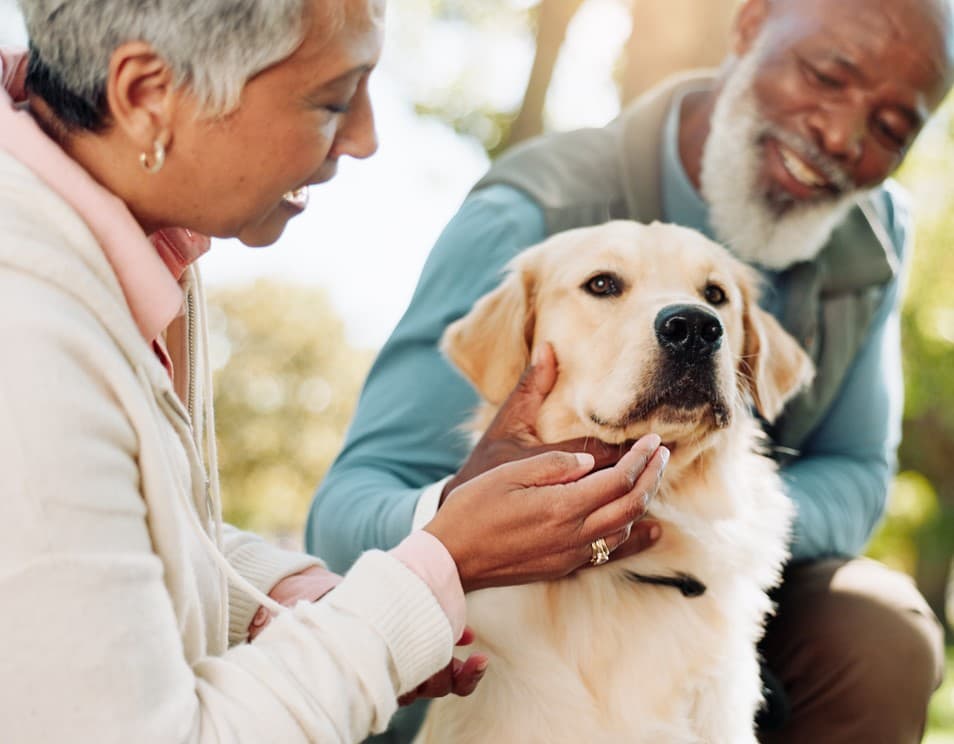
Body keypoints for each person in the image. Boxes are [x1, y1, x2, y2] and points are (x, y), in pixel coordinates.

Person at [0, 0, 670, 741]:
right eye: (332, 99)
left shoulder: (130, 234)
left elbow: (117, 547)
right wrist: (440, 566)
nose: (366, 138)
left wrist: (298, 600)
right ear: (146, 94)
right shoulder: (26, 334)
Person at [308, 0, 953, 741]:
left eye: (891, 128)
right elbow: (346, 512)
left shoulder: (876, 233)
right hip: (509, 606)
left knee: (882, 631)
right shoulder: (530, 210)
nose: (840, 134)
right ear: (747, 27)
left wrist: (702, 523)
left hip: (732, 573)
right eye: (825, 74)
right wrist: (490, 517)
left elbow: (859, 469)